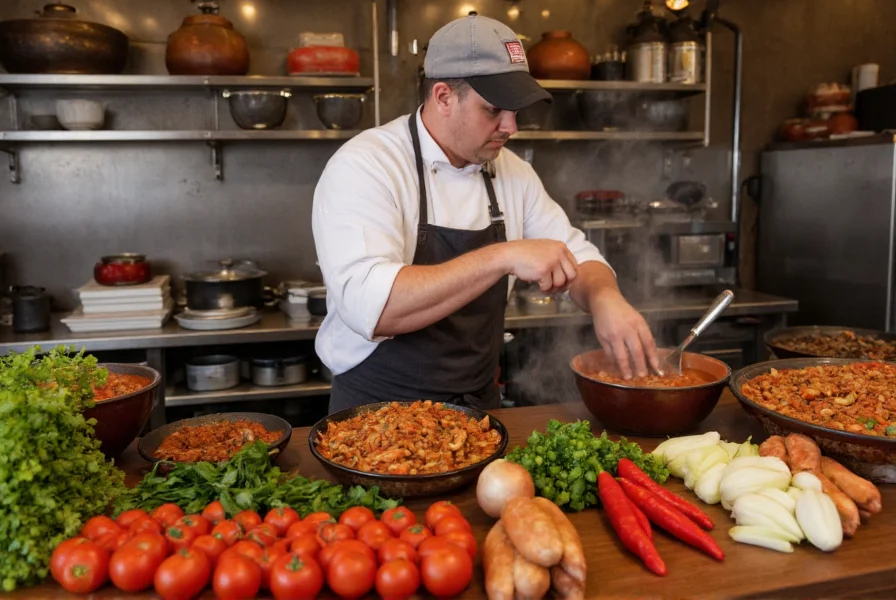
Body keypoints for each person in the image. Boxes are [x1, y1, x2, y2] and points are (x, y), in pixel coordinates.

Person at [312, 15, 659, 414]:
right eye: (493, 109)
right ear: (443, 96)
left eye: (515, 110)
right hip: (377, 414)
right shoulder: (367, 165)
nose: (510, 126)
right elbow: (374, 307)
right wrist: (503, 256)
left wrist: (604, 298)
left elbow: (576, 255)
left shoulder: (512, 172)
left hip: (478, 409)